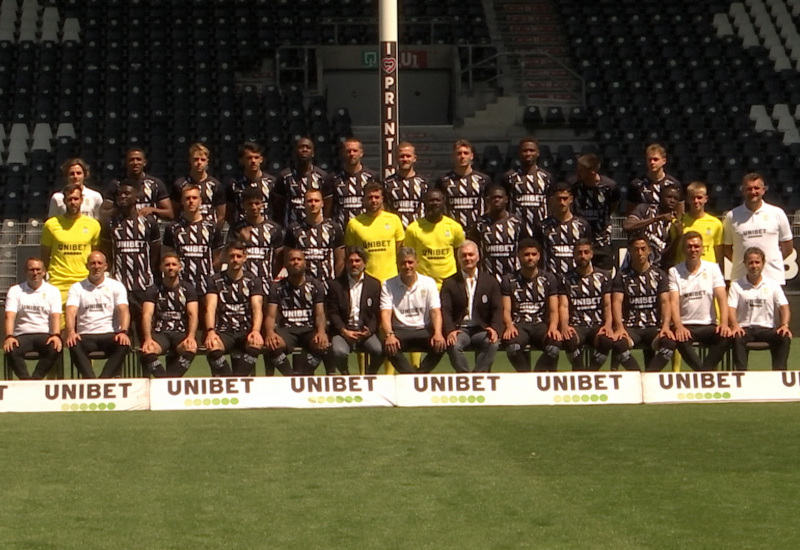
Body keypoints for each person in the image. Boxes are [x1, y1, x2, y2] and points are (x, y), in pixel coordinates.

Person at [100, 180, 161, 342]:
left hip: (143, 286)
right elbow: (107, 253)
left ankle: (148, 365)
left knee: (145, 334)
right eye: (120, 194)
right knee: (121, 334)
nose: (123, 197)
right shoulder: (110, 222)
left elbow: (155, 252)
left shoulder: (149, 222)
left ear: (137, 197)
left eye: (127, 193)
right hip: (120, 286)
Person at [611, 235, 675, 372]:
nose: (639, 253)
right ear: (630, 251)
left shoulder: (659, 275)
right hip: (631, 327)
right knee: (617, 344)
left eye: (643, 249)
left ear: (649, 250)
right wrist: (619, 327)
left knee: (669, 343)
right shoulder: (622, 276)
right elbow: (616, 302)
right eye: (636, 249)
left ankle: (649, 376)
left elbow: (665, 302)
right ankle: (638, 375)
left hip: (653, 327)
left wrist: (665, 326)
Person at [668, 231, 731, 371]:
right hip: (686, 325)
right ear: (683, 249)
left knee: (726, 337)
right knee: (679, 339)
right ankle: (704, 373)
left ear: (702, 249)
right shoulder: (674, 271)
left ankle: (703, 372)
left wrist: (725, 324)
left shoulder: (713, 268)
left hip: (708, 324)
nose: (693, 250)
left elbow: (722, 297)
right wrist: (678, 326)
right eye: (689, 246)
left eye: (697, 246)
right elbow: (673, 302)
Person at [162, 184, 224, 325]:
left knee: (207, 324)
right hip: (182, 286)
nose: (191, 201)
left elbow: (217, 257)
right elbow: (167, 255)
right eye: (187, 198)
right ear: (182, 201)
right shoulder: (172, 228)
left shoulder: (212, 227)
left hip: (206, 285)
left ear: (200, 201)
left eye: (194, 198)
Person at [65, 251, 131, 379]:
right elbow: (70, 311)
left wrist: (123, 331)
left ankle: (102, 380)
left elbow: (123, 310)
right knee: (73, 343)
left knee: (124, 343)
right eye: (93, 263)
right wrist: (71, 332)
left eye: (99, 263)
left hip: (110, 334)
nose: (96, 266)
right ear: (87, 266)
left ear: (106, 266)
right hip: (86, 335)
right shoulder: (77, 288)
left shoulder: (116, 286)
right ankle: (91, 380)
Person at [380, 247, 446, 373]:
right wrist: (389, 335)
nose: (407, 266)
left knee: (442, 344)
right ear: (398, 265)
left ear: (417, 263)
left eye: (410, 262)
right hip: (400, 330)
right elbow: (385, 313)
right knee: (387, 346)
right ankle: (410, 376)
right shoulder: (388, 284)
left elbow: (435, 311)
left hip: (424, 329)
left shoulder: (429, 283)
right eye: (403, 263)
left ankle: (419, 375)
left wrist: (438, 333)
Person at [204, 241, 265, 377]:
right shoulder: (215, 280)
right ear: (226, 257)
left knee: (255, 343)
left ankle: (237, 379)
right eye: (232, 256)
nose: (235, 260)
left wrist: (256, 330)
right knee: (212, 345)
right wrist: (210, 331)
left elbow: (257, 309)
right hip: (224, 330)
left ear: (245, 258)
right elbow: (210, 307)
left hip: (245, 330)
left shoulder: (253, 281)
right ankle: (231, 380)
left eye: (238, 256)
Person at [264, 249, 329, 376]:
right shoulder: (276, 287)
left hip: (308, 329)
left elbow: (320, 314)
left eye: (299, 259)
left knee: (323, 344)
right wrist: (270, 332)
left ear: (305, 263)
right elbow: (270, 316)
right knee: (272, 345)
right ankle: (290, 377)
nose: (296, 262)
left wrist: (321, 332)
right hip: (286, 330)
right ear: (286, 264)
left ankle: (303, 375)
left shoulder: (315, 285)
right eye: (292, 259)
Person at [440, 240, 503, 373]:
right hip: (460, 330)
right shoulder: (449, 283)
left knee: (492, 343)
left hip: (481, 329)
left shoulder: (490, 282)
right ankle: (465, 375)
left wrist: (495, 328)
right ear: (458, 259)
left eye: (470, 255)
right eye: (463, 255)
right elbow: (446, 310)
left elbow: (497, 309)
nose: (467, 258)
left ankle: (476, 376)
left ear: (478, 257)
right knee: (454, 345)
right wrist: (450, 330)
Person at [501, 239, 562, 372]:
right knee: (512, 347)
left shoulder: (549, 279)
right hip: (519, 325)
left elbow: (554, 310)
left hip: (540, 324)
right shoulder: (509, 279)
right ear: (519, 256)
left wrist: (553, 327)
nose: (530, 258)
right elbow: (506, 310)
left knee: (555, 345)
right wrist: (509, 326)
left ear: (539, 256)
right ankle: (526, 377)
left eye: (534, 254)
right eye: (526, 254)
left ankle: (535, 375)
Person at [723, 173, 793, 285]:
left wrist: (770, 262)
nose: (753, 192)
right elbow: (726, 249)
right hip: (741, 280)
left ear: (763, 190)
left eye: (756, 188)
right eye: (749, 189)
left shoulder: (777, 213)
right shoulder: (732, 216)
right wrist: (745, 264)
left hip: (773, 279)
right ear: (743, 191)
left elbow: (788, 247)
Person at [728, 247, 792, 370]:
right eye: (750, 262)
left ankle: (779, 375)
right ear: (745, 264)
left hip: (767, 329)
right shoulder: (736, 285)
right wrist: (735, 325)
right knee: (736, 337)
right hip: (745, 329)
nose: (754, 265)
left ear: (763, 264)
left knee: (783, 337)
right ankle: (742, 376)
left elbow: (784, 307)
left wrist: (784, 325)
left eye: (757, 262)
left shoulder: (773, 285)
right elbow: (731, 308)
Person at [559, 240, 617, 371]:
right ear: (574, 255)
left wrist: (608, 325)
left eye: (586, 252)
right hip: (576, 326)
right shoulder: (565, 279)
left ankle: (592, 372)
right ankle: (579, 372)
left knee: (607, 340)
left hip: (597, 326)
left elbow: (608, 304)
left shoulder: (603, 277)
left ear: (591, 254)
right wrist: (564, 326)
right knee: (569, 340)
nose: (583, 256)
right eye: (579, 253)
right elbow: (563, 306)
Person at [41, 182, 102, 307]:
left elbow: (95, 254)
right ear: (64, 201)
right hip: (58, 283)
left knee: (84, 323)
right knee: (59, 325)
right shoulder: (51, 224)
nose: (73, 202)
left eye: (76, 199)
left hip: (84, 282)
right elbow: (45, 256)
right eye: (69, 199)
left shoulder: (93, 225)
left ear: (82, 200)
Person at [326, 246, 384, 375]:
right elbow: (332, 313)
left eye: (358, 261)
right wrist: (343, 330)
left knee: (380, 350)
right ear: (346, 263)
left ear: (364, 263)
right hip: (343, 331)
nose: (354, 264)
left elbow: (377, 313)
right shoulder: (335, 285)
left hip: (365, 332)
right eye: (351, 261)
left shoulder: (374, 285)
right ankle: (346, 374)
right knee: (338, 352)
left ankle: (369, 375)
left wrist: (370, 330)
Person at [140, 252, 199, 378]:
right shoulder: (153, 289)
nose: (170, 267)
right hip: (161, 332)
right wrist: (148, 338)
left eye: (174, 264)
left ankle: (169, 380)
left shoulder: (188, 289)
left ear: (180, 267)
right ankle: (164, 379)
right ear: (161, 267)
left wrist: (191, 336)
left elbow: (193, 314)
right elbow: (147, 314)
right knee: (148, 350)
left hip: (180, 332)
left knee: (190, 348)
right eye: (167, 265)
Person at [3, 258, 63, 380]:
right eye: (31, 270)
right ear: (26, 272)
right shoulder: (15, 290)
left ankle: (36, 380)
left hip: (45, 334)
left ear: (44, 272)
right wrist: (9, 336)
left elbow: (56, 316)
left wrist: (56, 335)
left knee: (55, 347)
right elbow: (10, 316)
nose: (35, 273)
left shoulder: (53, 291)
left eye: (38, 270)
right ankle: (26, 380)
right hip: (22, 334)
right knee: (10, 349)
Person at [403, 188, 465, 290]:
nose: (435, 203)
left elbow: (459, 256)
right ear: (424, 203)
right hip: (423, 284)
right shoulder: (413, 228)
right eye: (431, 200)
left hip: (449, 284)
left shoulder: (455, 227)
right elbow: (409, 258)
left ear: (443, 202)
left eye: (438, 200)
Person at [344, 182, 405, 283]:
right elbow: (351, 253)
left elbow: (398, 251)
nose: (373, 200)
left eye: (376, 197)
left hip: (391, 281)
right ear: (363, 200)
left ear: (382, 199)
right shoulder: (354, 224)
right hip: (366, 282)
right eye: (370, 197)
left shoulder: (394, 220)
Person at [284, 188, 344, 287]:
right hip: (302, 285)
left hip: (327, 284)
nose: (313, 204)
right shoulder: (294, 229)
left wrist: (336, 284)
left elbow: (340, 260)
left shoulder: (334, 228)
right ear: (303, 204)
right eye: (309, 201)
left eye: (316, 200)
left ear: (322, 203)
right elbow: (287, 258)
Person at [228, 187, 285, 290]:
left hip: (266, 284)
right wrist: (240, 241)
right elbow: (228, 256)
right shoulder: (236, 228)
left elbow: (279, 260)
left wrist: (275, 282)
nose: (254, 207)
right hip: (243, 284)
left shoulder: (274, 229)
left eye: (257, 203)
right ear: (243, 205)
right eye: (250, 204)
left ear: (262, 205)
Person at [569, 153, 620, 270]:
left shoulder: (609, 186)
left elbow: (613, 206)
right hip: (580, 239)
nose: (577, 173)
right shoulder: (573, 185)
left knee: (605, 274)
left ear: (591, 172)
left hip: (602, 239)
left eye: (580, 171)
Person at [466, 185, 524, 284]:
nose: (496, 200)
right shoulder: (480, 223)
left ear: (506, 199)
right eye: (493, 198)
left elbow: (525, 247)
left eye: (499, 197)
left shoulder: (517, 223)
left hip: (513, 278)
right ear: (488, 201)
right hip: (488, 278)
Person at [534, 182, 592, 277]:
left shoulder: (582, 225)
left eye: (565, 199)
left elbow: (588, 253)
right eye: (559, 199)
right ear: (552, 200)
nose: (562, 203)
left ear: (571, 199)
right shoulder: (542, 227)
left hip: (575, 280)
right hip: (549, 279)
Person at [101, 147, 173, 222]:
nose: (135, 163)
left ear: (144, 162)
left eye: (138, 159)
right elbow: (103, 212)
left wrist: (152, 210)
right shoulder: (117, 184)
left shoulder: (156, 184)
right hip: (124, 229)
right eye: (131, 160)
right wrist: (120, 210)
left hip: (150, 229)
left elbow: (170, 214)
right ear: (126, 163)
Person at [499, 137, 553, 236]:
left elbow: (551, 203)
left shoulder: (547, 177)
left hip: (541, 228)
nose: (528, 154)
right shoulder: (509, 177)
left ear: (538, 153)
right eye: (525, 151)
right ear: (519, 153)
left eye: (531, 150)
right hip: (516, 229)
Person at [273, 137, 331, 227]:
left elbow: (327, 207)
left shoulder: (322, 177)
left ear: (313, 153)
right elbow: (278, 208)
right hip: (291, 230)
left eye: (308, 147)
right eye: (301, 147)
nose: (304, 149)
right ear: (295, 152)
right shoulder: (284, 177)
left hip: (316, 229)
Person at [435, 139, 491, 230]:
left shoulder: (484, 180)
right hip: (451, 230)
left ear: (471, 156)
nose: (462, 156)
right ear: (453, 156)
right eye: (459, 153)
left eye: (466, 153)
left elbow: (489, 206)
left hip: (477, 230)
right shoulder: (443, 180)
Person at [623, 184, 681, 269]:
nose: (672, 201)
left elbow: (668, 255)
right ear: (660, 197)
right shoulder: (645, 209)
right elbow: (627, 226)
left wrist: (678, 237)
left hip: (659, 267)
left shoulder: (676, 222)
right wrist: (656, 219)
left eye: (675, 198)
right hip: (634, 265)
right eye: (669, 197)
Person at [170, 142, 226, 229]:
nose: (199, 162)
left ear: (207, 162)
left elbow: (221, 215)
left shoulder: (216, 185)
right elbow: (174, 213)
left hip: (209, 232)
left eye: (202, 160)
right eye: (196, 159)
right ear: (190, 160)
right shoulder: (179, 185)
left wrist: (215, 233)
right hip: (185, 230)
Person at [327, 138, 379, 230]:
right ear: (343, 153)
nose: (352, 154)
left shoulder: (372, 177)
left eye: (355, 151)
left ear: (361, 153)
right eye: (348, 151)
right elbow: (328, 208)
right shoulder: (333, 178)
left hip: (366, 229)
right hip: (341, 231)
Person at [670, 181, 723, 271]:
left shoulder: (716, 223)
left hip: (707, 271)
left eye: (699, 198)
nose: (696, 201)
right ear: (687, 199)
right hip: (684, 271)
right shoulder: (678, 222)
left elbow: (718, 253)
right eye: (693, 198)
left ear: (705, 199)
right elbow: (673, 249)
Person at [226, 141, 277, 228]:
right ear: (242, 160)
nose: (253, 161)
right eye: (249, 158)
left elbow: (278, 210)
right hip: (241, 230)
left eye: (256, 157)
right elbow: (229, 213)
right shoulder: (234, 184)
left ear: (261, 159)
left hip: (267, 231)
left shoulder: (272, 183)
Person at [383, 141, 428, 228]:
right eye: (401, 156)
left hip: (418, 231)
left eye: (408, 156)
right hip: (394, 232)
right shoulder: (387, 183)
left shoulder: (424, 183)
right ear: (396, 158)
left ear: (414, 158)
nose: (405, 159)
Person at [627, 143, 681, 213]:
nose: (652, 162)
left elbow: (679, 212)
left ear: (664, 161)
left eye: (655, 159)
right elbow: (629, 212)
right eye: (649, 160)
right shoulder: (636, 184)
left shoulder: (674, 184)